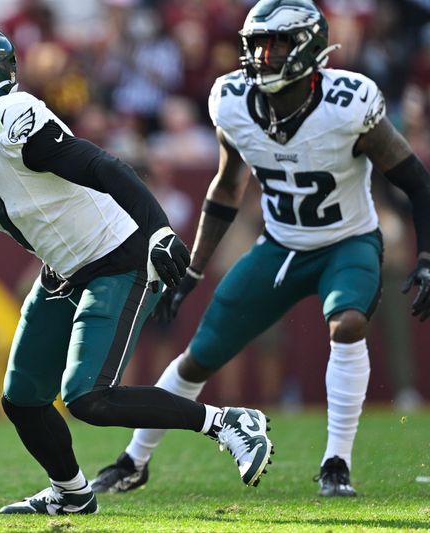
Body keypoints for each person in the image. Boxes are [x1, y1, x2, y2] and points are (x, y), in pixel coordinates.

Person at [0, 21, 273, 515]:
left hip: (119, 256)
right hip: (63, 269)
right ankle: (71, 494)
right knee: (22, 399)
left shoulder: (11, 120)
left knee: (89, 396)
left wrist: (157, 229)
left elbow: (101, 165)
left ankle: (226, 423)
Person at [90, 0, 430, 499]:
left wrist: (426, 257)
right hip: (279, 246)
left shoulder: (349, 103)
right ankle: (133, 460)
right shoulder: (231, 100)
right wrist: (192, 271)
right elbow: (227, 189)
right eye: (255, 45)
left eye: (276, 44)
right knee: (198, 358)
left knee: (348, 322)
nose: (261, 56)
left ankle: (336, 462)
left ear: (310, 49)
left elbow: (418, 183)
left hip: (347, 241)